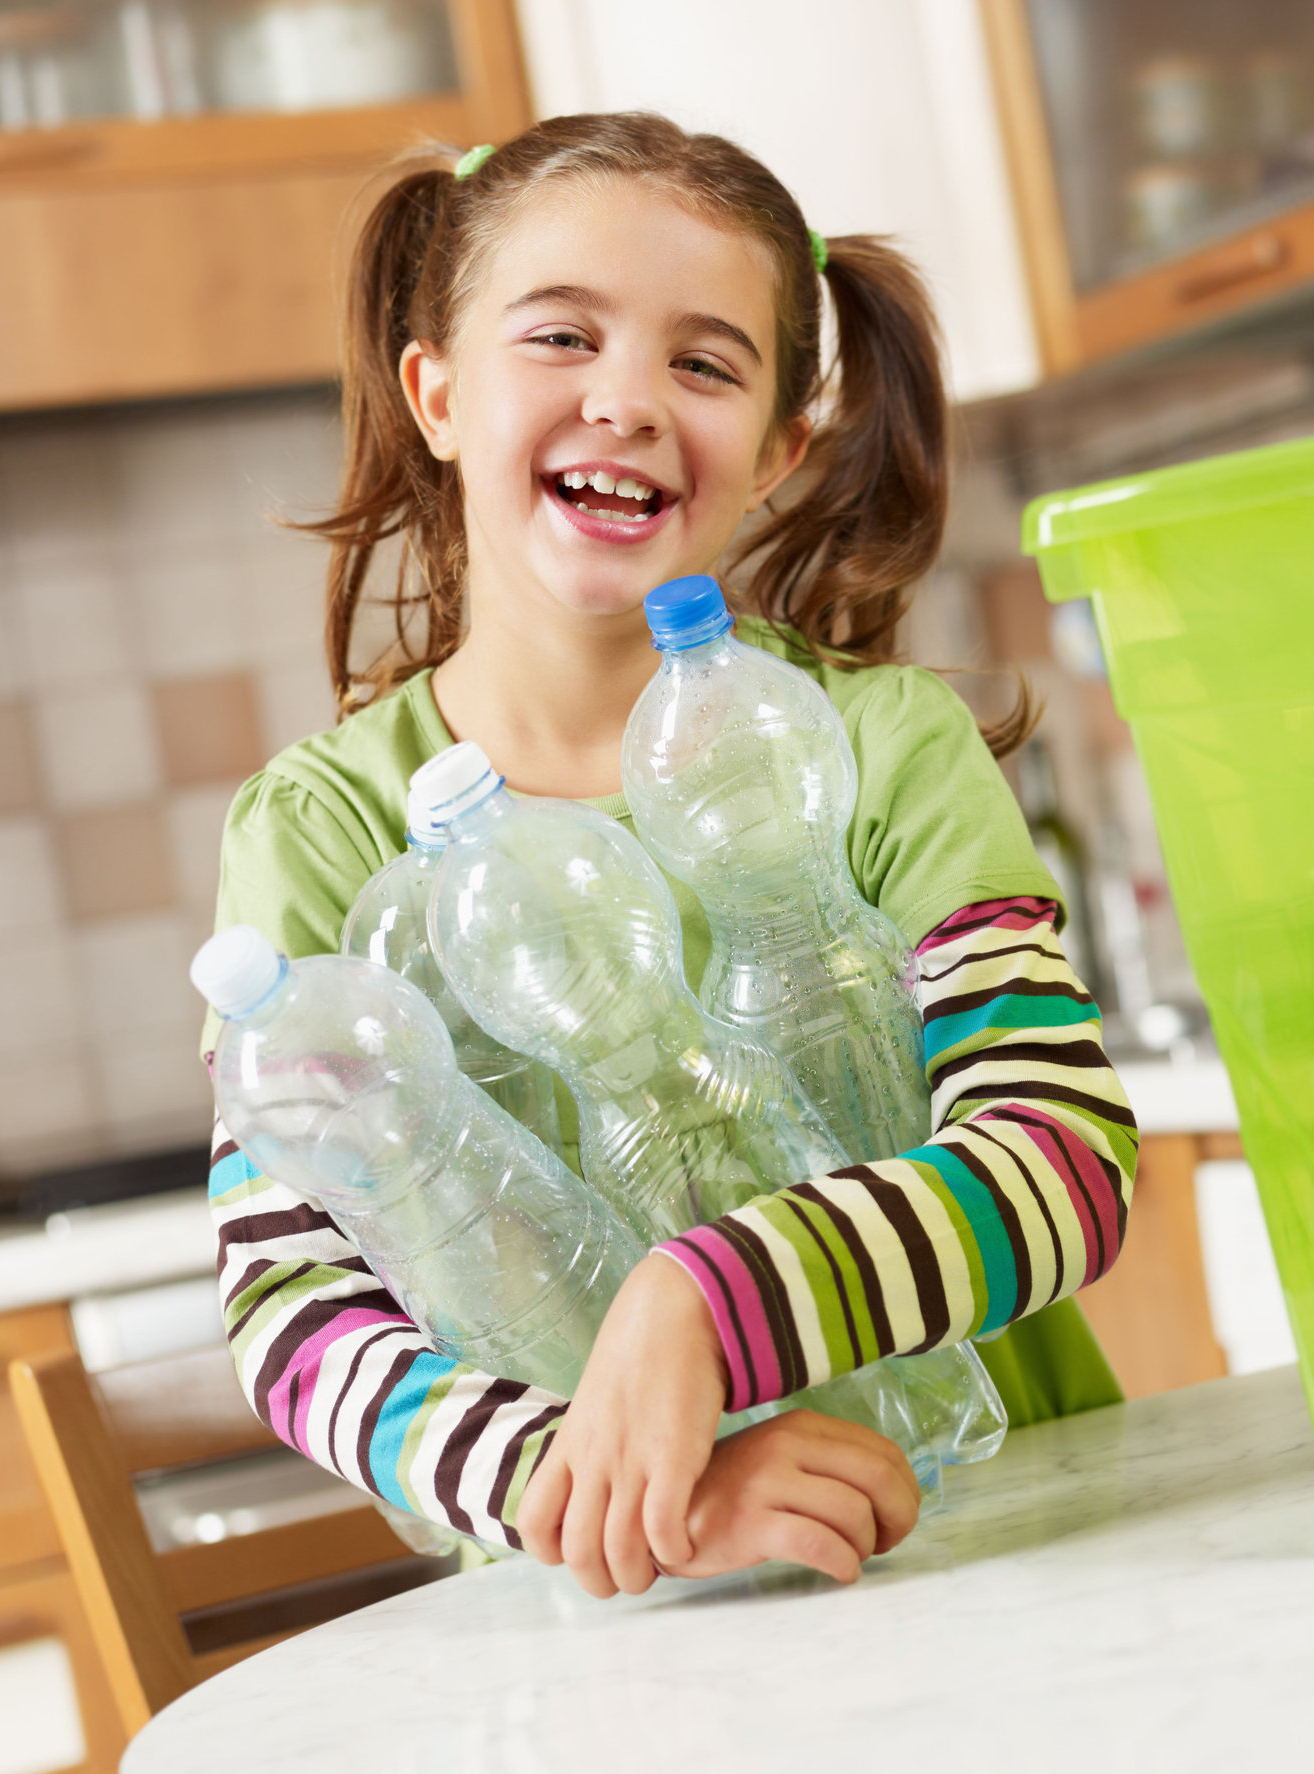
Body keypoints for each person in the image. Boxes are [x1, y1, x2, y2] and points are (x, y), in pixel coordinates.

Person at [202, 113, 1135, 1599]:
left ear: (778, 449)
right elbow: (293, 1305)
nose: (626, 400)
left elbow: (1061, 1158)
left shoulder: (883, 746)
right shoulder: (318, 836)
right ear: (436, 394)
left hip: (1006, 1551)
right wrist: (608, 1486)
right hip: (624, 1614)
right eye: (560, 337)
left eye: (702, 363)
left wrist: (716, 1296)